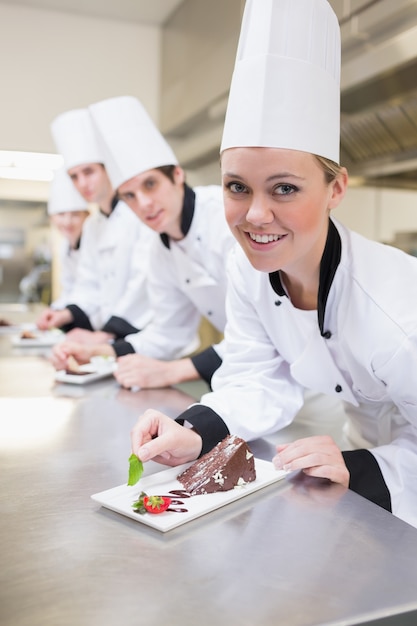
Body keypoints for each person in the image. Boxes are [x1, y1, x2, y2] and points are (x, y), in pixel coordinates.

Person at [130, 0, 417, 528]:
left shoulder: (399, 315)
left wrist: (365, 468)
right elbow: (255, 377)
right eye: (238, 187)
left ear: (336, 189)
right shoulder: (251, 273)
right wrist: (193, 432)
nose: (256, 215)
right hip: (360, 482)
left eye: (285, 187)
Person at [50, 96, 235, 389]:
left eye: (150, 184)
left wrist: (172, 372)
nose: (144, 204)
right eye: (130, 195)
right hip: (253, 383)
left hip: (311, 390)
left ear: (177, 175)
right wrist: (99, 351)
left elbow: (261, 337)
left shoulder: (225, 218)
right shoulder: (162, 247)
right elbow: (167, 333)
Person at [37, 107, 153, 344]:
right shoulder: (92, 226)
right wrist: (63, 314)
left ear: (107, 168)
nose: (82, 183)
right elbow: (88, 283)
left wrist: (107, 333)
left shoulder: (139, 214)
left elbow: (143, 281)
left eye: (88, 172)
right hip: (108, 336)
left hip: (143, 335)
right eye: (74, 176)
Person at [37, 166, 89, 317]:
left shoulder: (94, 245)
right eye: (61, 214)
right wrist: (54, 311)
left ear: (87, 215)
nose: (67, 222)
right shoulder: (64, 247)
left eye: (75, 214)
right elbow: (69, 288)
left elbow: (90, 290)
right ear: (51, 218)